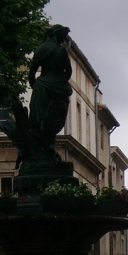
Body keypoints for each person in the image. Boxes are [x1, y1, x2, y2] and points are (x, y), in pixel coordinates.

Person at [28, 24, 73, 157]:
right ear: (56, 35)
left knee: (40, 118)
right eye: (61, 37)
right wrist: (60, 81)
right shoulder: (61, 50)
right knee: (55, 117)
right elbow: (68, 72)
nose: (62, 40)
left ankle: (42, 148)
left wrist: (35, 86)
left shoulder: (40, 49)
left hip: (41, 86)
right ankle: (49, 147)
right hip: (58, 87)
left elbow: (31, 73)